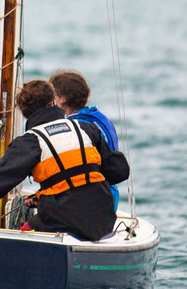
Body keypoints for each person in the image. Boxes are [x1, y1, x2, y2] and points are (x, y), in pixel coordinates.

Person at [0, 79, 118, 241]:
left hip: (64, 221)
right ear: (52, 102)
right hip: (104, 219)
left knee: (22, 233)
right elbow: (119, 171)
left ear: (25, 113)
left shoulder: (30, 142)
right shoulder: (84, 128)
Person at [48, 69, 129, 211]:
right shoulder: (99, 118)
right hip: (110, 195)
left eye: (53, 96)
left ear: (63, 98)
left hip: (91, 201)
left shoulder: (76, 128)